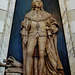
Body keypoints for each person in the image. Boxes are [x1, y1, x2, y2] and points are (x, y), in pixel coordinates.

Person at [21, 0, 64, 75]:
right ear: (33, 3)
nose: (39, 2)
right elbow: (25, 26)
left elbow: (53, 23)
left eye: (40, 1)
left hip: (43, 35)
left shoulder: (46, 15)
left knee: (42, 55)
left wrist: (53, 27)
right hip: (32, 35)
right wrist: (24, 35)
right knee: (29, 53)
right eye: (37, 1)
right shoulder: (28, 15)